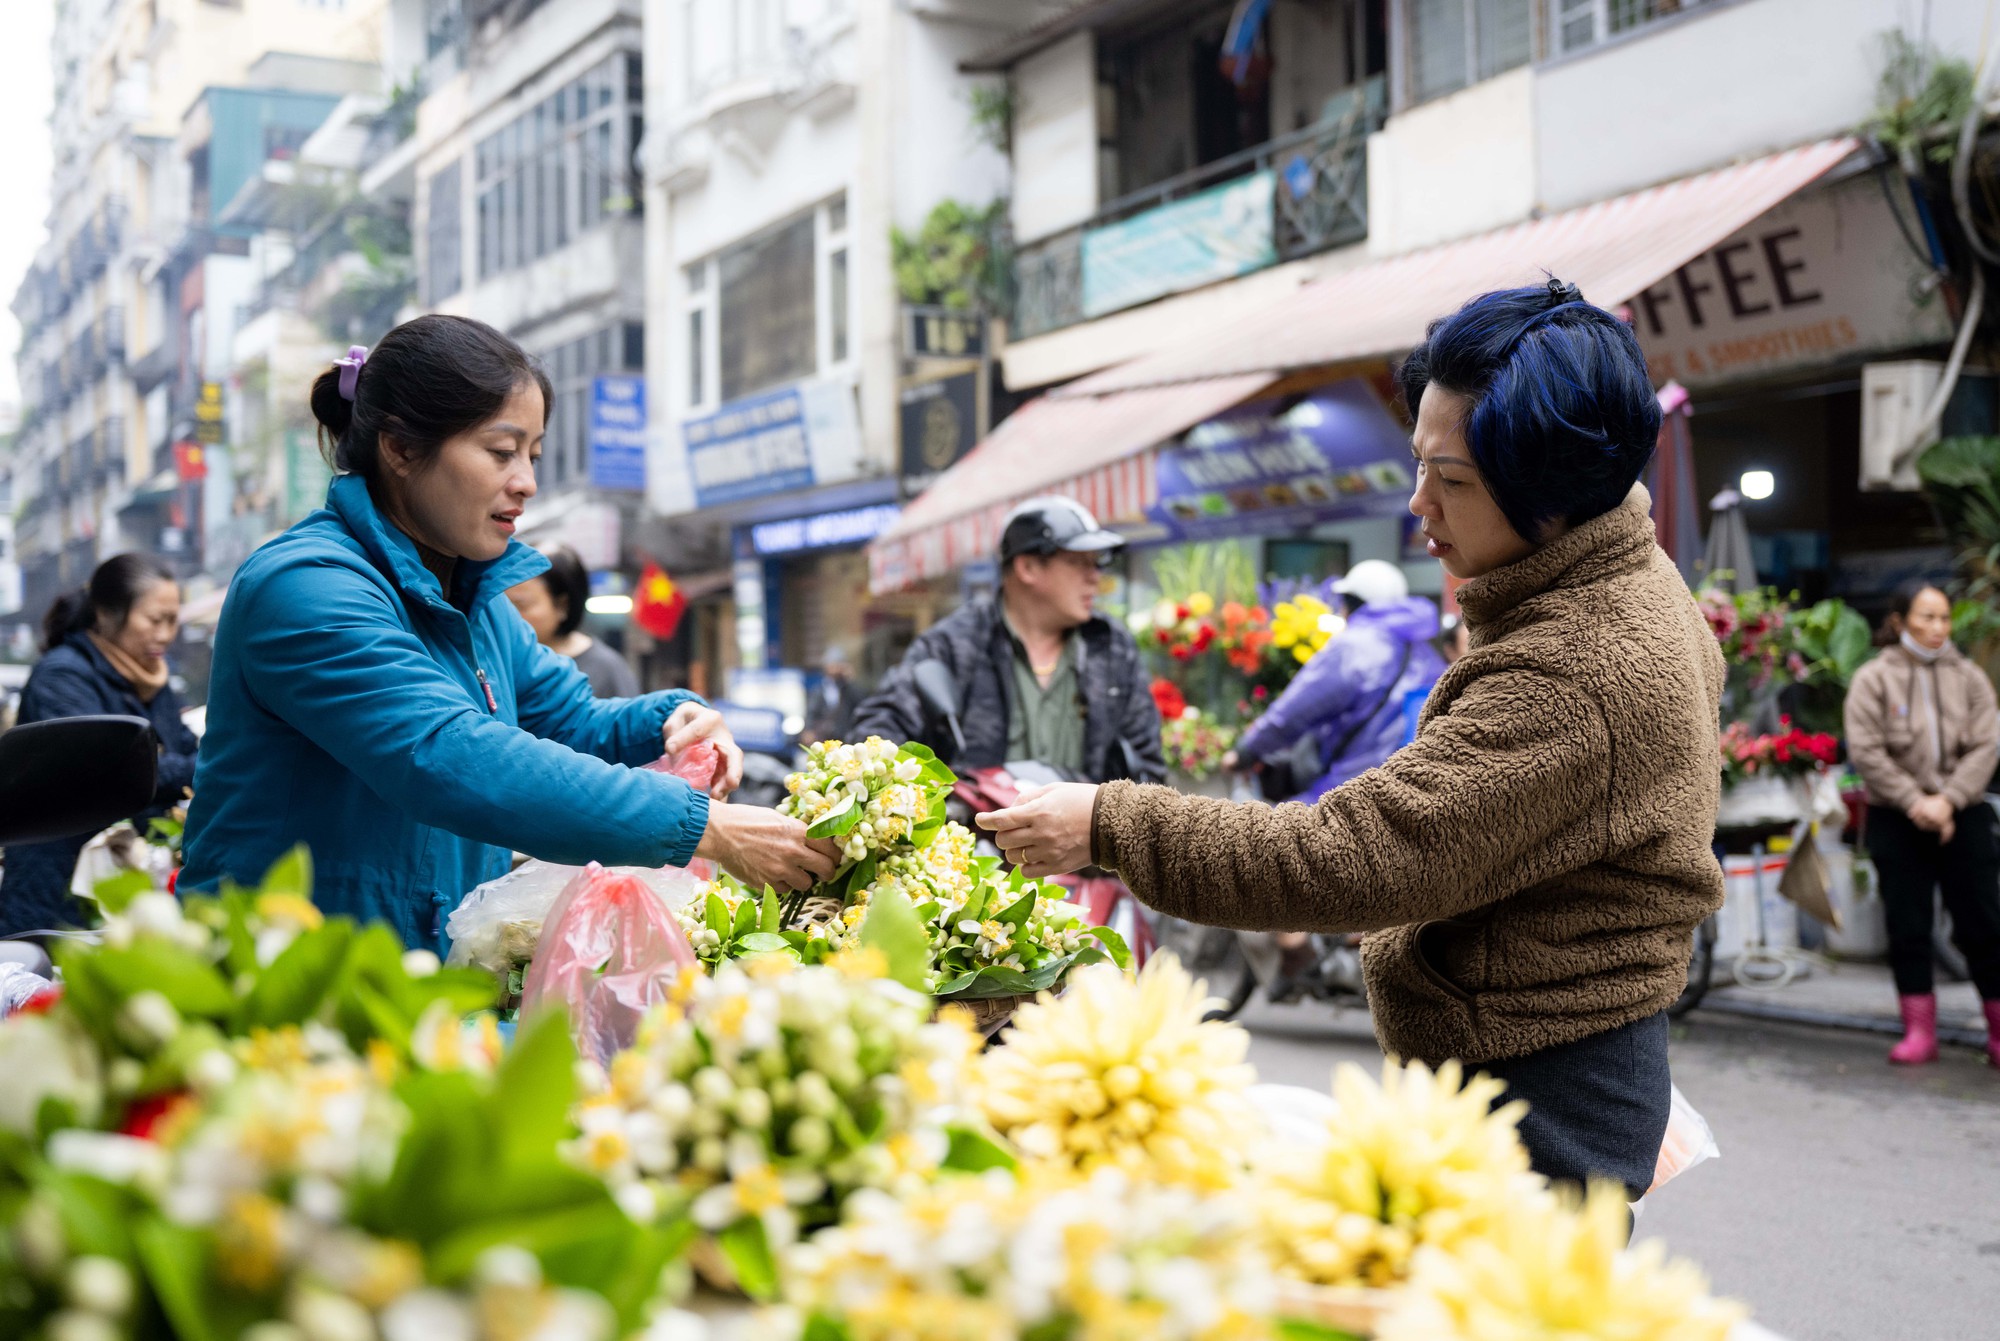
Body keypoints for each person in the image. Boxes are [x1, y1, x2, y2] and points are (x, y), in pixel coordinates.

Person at [976, 281, 1724, 1198]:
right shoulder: (1621, 576)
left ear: (1554, 496)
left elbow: (1352, 858)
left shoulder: (1581, 669)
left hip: (1542, 1101)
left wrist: (1108, 824)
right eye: (1421, 465)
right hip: (1541, 1065)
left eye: (1452, 482)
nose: (1421, 504)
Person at [181, 316, 835, 952]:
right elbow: (447, 755)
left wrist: (674, 719)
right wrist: (705, 827)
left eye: (532, 453)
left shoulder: (475, 601)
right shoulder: (306, 585)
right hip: (287, 975)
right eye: (501, 451)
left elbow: (576, 722)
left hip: (426, 974)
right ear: (401, 447)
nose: (526, 481)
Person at [850, 497, 1165, 784]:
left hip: (1082, 844)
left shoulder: (1111, 647)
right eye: (1078, 561)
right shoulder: (954, 644)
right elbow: (877, 736)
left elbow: (1147, 766)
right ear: (1027, 567)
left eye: (1097, 562)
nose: (1094, 576)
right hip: (979, 841)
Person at [0, 554, 199, 938]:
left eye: (173, 621)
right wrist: (199, 767)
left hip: (123, 883)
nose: (165, 634)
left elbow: (182, 749)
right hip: (56, 887)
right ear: (107, 614)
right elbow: (110, 773)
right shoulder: (62, 676)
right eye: (155, 620)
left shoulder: (155, 682)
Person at [1844, 582, 2000, 1067]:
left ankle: (1997, 1030)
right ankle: (1919, 1032)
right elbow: (1866, 750)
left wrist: (1949, 801)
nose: (1937, 628)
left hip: (1964, 812)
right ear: (1899, 620)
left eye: (1944, 618)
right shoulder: (1874, 678)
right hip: (1898, 816)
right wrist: (1918, 802)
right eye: (1926, 617)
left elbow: (1987, 745)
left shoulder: (1970, 677)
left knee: (1983, 921)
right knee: (1907, 924)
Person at [1224, 559, 1444, 802]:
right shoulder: (1425, 652)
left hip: (1350, 791)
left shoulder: (1353, 646)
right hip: (1406, 792)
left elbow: (1296, 709)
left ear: (1351, 602)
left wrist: (1247, 750)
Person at [506, 543, 641, 698]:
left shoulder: (606, 670)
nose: (510, 616)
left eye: (521, 605)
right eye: (505, 605)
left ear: (562, 605)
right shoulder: (503, 661)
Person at [802, 644, 857, 745]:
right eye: (832, 664)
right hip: (823, 736)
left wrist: (849, 679)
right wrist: (808, 729)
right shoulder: (819, 690)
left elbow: (858, 703)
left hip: (845, 735)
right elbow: (812, 711)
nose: (835, 667)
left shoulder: (848, 688)